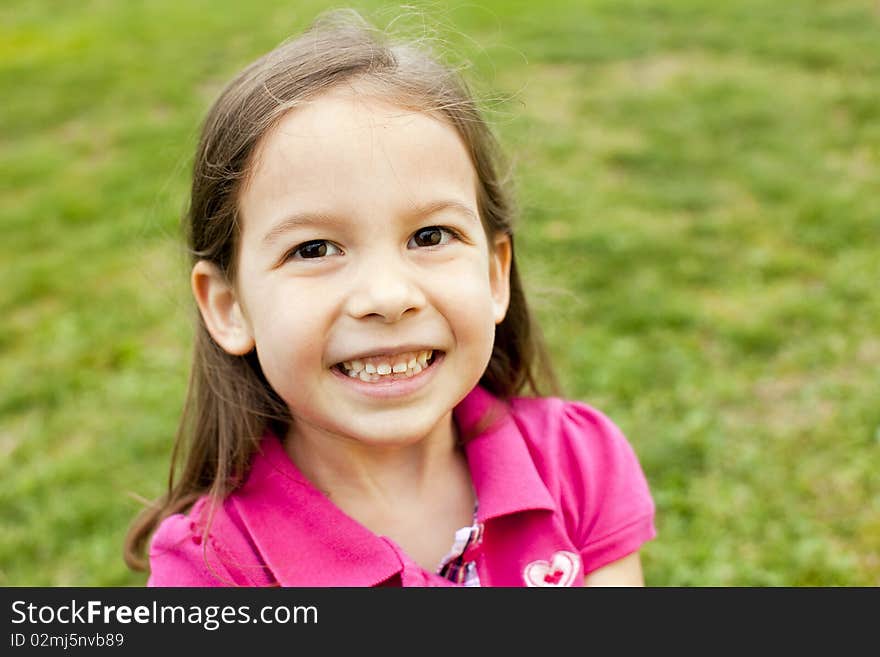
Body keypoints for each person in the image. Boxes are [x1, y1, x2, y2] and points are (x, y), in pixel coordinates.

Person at [124, 8, 656, 587]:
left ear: (495, 274)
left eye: (430, 236)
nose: (387, 296)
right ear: (229, 308)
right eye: (314, 249)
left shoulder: (577, 461)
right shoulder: (212, 572)